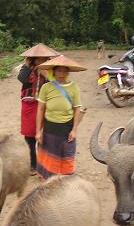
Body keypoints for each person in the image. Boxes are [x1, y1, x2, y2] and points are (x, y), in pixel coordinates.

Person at [34, 55, 87, 178]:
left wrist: (74, 130)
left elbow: (77, 108)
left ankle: (65, 181)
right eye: (59, 70)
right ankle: (49, 180)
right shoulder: (46, 87)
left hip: (66, 129)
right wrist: (38, 131)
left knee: (66, 155)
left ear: (68, 72)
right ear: (53, 71)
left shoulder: (74, 87)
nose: (61, 73)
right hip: (49, 129)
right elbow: (40, 110)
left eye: (64, 70)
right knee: (49, 156)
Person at [17, 43, 59, 174]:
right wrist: (32, 68)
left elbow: (56, 83)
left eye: (44, 58)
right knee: (29, 136)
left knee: (43, 135)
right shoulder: (26, 68)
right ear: (33, 58)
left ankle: (44, 164)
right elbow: (22, 79)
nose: (41, 60)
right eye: (38, 58)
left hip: (45, 104)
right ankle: (33, 164)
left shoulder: (52, 69)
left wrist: (46, 73)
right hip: (29, 105)